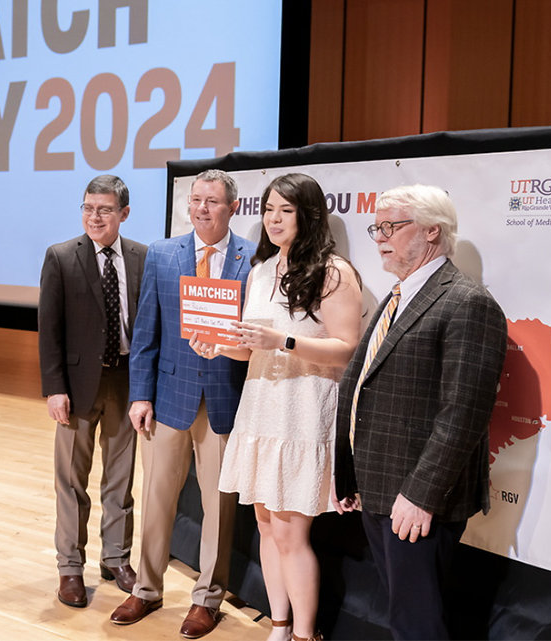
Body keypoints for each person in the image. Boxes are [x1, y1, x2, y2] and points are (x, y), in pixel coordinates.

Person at [332, 184, 507, 640]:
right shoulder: (398, 295)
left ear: (432, 231)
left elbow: (464, 413)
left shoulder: (468, 302)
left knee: (417, 624)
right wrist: (348, 472)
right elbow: (365, 383)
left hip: (417, 497)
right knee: (404, 614)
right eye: (377, 227)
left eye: (391, 226)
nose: (379, 237)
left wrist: (423, 495)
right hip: (378, 485)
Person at [194, 173, 363, 641]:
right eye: (268, 209)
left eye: (284, 211)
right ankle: (281, 625)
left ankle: (306, 633)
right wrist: (220, 346)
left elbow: (348, 348)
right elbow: (252, 348)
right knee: (267, 528)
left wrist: (283, 340)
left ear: (307, 216)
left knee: (292, 534)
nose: (272, 219)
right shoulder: (262, 269)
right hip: (262, 404)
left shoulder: (334, 271)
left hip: (304, 409)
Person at [110, 169, 256, 639]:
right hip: (169, 397)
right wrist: (140, 395)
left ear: (232, 208)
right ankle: (147, 589)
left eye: (212, 201)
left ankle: (207, 599)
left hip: (223, 400)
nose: (201, 208)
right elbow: (146, 332)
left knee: (219, 505)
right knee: (156, 497)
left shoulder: (252, 259)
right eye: (196, 199)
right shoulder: (163, 254)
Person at [38, 175, 147, 608]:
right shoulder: (61, 257)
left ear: (123, 213)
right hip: (77, 387)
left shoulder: (141, 257)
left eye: (104, 209)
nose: (94, 216)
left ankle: (116, 558)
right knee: (71, 481)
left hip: (126, 381)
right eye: (87, 207)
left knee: (120, 482)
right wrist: (54, 388)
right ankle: (70, 568)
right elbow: (50, 331)